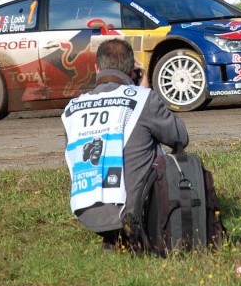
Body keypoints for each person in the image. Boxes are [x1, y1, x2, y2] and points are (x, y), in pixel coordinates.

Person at [61, 38, 188, 249]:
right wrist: (145, 88)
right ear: (132, 71)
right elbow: (180, 138)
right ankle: (137, 230)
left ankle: (113, 238)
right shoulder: (143, 99)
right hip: (133, 211)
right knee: (155, 148)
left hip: (86, 211)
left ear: (97, 68)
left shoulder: (72, 108)